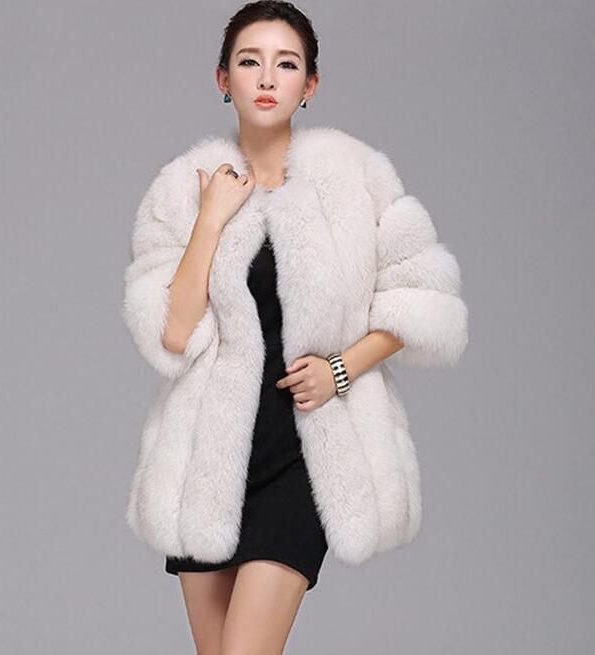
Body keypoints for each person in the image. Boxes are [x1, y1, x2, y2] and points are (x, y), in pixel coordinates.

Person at [122, 1, 469, 652]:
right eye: (249, 61)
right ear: (222, 77)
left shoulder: (355, 179)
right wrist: (211, 217)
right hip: (205, 460)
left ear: (310, 85)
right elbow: (173, 333)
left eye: (286, 64)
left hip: (303, 454)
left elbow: (421, 298)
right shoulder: (181, 189)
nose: (266, 78)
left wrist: (341, 369)